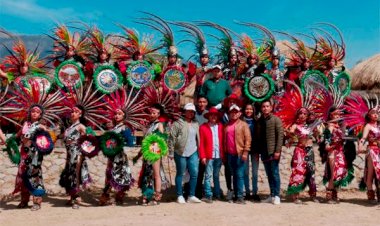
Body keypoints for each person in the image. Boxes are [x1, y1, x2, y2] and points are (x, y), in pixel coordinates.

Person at [13, 105, 49, 210]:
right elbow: (18, 135)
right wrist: (9, 140)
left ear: (40, 115)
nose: (34, 113)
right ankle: (24, 200)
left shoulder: (41, 126)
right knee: (23, 175)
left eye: (37, 112)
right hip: (24, 154)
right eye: (33, 111)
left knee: (35, 176)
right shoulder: (25, 124)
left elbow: (47, 138)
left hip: (35, 155)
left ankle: (37, 202)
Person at [134, 104, 169, 205]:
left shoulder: (159, 125)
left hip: (154, 151)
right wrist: (139, 154)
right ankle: (147, 194)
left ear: (158, 114)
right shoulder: (149, 125)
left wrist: (160, 148)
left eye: (154, 113)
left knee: (156, 174)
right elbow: (144, 141)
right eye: (151, 112)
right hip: (147, 152)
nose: (152, 114)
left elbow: (162, 138)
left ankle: (156, 196)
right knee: (147, 174)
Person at [98, 109, 135, 206]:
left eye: (119, 114)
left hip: (120, 156)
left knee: (120, 175)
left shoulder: (125, 128)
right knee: (109, 174)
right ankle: (106, 196)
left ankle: (119, 196)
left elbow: (130, 143)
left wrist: (120, 144)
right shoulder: (113, 129)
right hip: (111, 156)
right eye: (115, 114)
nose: (116, 116)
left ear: (124, 116)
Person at [168, 103, 202, 204]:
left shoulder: (196, 123)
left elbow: (197, 137)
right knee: (180, 173)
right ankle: (179, 195)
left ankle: (191, 195)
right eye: (188, 111)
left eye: (192, 111)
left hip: (193, 151)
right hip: (180, 151)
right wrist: (170, 152)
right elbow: (171, 138)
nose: (190, 113)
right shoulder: (178, 123)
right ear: (185, 112)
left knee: (194, 173)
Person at [286, 108, 318, 204]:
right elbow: (289, 139)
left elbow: (317, 138)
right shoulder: (295, 126)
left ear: (308, 116)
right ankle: (295, 195)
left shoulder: (311, 126)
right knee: (298, 172)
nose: (302, 115)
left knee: (311, 172)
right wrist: (291, 137)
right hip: (299, 151)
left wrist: (317, 134)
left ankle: (313, 194)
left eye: (305, 114)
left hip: (309, 150)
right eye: (300, 113)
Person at [321, 107, 353, 204]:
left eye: (339, 114)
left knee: (339, 173)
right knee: (333, 174)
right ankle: (329, 196)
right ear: (331, 115)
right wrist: (330, 146)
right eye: (336, 114)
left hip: (339, 152)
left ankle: (334, 193)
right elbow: (327, 143)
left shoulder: (338, 126)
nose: (338, 116)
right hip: (333, 152)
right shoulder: (330, 126)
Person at [60, 105, 90, 209]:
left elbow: (88, 140)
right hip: (69, 154)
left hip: (77, 154)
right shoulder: (69, 128)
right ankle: (72, 196)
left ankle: (76, 197)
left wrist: (82, 153)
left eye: (76, 112)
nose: (73, 113)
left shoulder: (81, 126)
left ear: (80, 114)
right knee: (70, 173)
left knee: (75, 174)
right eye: (72, 111)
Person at [254, 99, 284, 205]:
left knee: (275, 173)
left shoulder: (276, 120)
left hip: (273, 151)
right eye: (263, 107)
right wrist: (258, 152)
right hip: (264, 151)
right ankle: (271, 195)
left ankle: (277, 195)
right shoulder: (260, 121)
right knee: (269, 174)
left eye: (267, 106)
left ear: (271, 108)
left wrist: (277, 151)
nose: (265, 108)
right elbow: (257, 137)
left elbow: (280, 136)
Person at [224, 104, 251, 204]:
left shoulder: (243, 125)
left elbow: (248, 139)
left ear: (239, 113)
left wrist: (245, 152)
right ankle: (236, 195)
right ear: (229, 114)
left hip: (240, 153)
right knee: (234, 175)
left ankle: (240, 196)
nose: (234, 114)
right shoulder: (226, 125)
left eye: (236, 112)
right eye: (232, 112)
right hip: (229, 154)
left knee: (239, 175)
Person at [199, 107, 224, 203]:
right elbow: (201, 143)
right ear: (208, 116)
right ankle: (208, 194)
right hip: (209, 155)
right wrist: (203, 156)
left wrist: (223, 155)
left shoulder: (221, 126)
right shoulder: (203, 127)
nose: (213, 117)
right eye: (211, 115)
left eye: (215, 115)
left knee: (216, 175)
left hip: (218, 155)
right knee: (208, 175)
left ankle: (217, 194)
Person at [358, 108, 380, 203]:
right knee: (370, 172)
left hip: (379, 151)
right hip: (372, 151)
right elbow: (363, 138)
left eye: (377, 113)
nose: (375, 115)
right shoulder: (368, 126)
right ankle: (370, 193)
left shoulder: (379, 126)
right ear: (369, 116)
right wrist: (360, 145)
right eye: (373, 113)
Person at [242, 103, 260, 201]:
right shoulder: (240, 121)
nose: (249, 111)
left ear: (253, 111)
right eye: (247, 109)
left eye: (250, 109)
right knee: (245, 171)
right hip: (244, 149)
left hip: (255, 150)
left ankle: (255, 192)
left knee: (255, 172)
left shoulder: (257, 121)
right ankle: (247, 192)